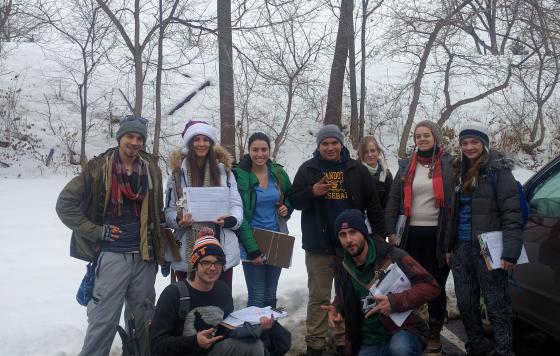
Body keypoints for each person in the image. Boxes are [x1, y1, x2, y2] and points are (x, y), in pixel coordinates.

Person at [56, 115, 165, 356]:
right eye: (130, 136)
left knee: (143, 322)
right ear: (120, 138)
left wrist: (163, 251)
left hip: (144, 257)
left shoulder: (151, 169)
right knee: (103, 321)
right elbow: (65, 204)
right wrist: (96, 232)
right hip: (112, 257)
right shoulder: (99, 168)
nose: (134, 142)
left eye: (139, 138)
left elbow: (157, 214)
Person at [289, 124, 386, 355]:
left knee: (348, 295)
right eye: (325, 144)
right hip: (319, 246)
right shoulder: (308, 169)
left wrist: (380, 237)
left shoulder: (356, 169)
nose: (330, 148)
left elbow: (372, 205)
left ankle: (345, 340)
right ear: (319, 146)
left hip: (351, 246)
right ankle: (315, 344)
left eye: (334, 143)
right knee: (319, 296)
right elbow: (294, 201)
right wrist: (311, 192)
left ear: (341, 144)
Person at [444, 125, 523, 356]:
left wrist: (510, 252)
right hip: (461, 247)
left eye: (474, 142)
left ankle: (503, 350)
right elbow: (452, 213)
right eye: (464, 143)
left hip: (490, 247)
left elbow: (511, 213)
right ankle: (477, 346)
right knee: (466, 303)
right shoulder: (457, 170)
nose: (469, 147)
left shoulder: (498, 170)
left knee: (497, 304)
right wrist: (448, 247)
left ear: (484, 144)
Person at [323, 209, 441, 356]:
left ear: (364, 232)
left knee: (400, 349)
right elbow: (344, 295)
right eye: (342, 235)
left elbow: (431, 287)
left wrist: (394, 302)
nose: (348, 240)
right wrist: (337, 308)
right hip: (370, 339)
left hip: (403, 330)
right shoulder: (343, 266)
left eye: (353, 232)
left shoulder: (393, 255)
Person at [384, 120, 454, 355]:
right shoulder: (406, 166)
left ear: (436, 137)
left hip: (437, 235)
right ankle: (412, 329)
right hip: (410, 235)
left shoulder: (449, 165)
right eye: (418, 136)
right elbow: (394, 199)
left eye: (427, 135)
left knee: (435, 285)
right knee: (410, 284)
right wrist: (390, 230)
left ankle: (434, 331)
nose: (422, 139)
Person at [151, 228, 273, 356]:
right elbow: (156, 345)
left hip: (212, 352)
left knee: (255, 346)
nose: (212, 268)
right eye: (206, 263)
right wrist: (194, 341)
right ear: (195, 265)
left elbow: (226, 330)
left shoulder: (223, 291)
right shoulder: (173, 294)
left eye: (217, 263)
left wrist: (256, 328)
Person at [164, 120, 242, 287]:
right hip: (187, 248)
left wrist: (231, 220)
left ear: (211, 143)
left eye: (205, 139)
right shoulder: (177, 176)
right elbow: (169, 211)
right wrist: (179, 221)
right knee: (188, 304)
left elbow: (236, 205)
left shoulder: (225, 172)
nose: (201, 144)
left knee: (221, 301)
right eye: (196, 139)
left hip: (220, 246)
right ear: (189, 143)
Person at [233, 132, 293, 308]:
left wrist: (286, 207)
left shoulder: (278, 173)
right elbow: (239, 214)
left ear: (270, 150)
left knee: (270, 296)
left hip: (277, 238)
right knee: (257, 297)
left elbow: (291, 195)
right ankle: (254, 335)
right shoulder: (239, 175)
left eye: (264, 149)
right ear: (248, 150)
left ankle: (269, 335)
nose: (260, 154)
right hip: (252, 240)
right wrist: (252, 251)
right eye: (255, 149)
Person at [357, 136, 394, 208]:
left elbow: (390, 202)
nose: (370, 155)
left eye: (373, 151)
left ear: (378, 151)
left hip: (380, 217)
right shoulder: (355, 173)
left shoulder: (386, 175)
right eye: (366, 152)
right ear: (361, 154)